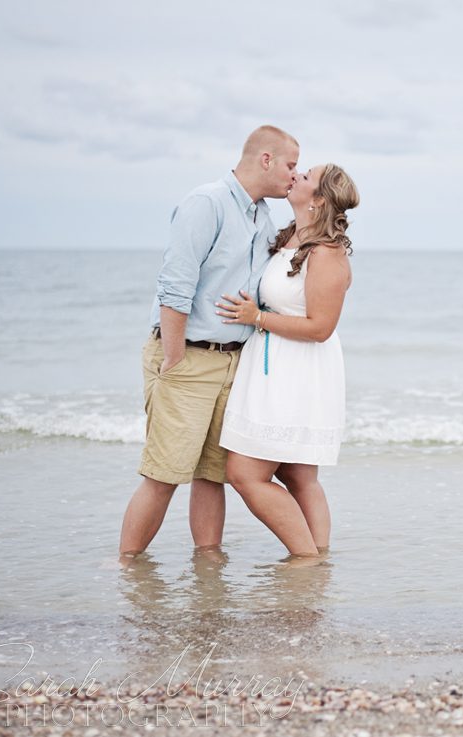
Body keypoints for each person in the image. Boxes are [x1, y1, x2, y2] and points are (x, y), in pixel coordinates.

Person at [119, 126, 300, 557]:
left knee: (211, 474)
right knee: (163, 474)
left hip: (234, 362)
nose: (294, 175)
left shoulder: (261, 215)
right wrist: (175, 358)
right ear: (266, 160)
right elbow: (175, 286)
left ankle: (208, 567)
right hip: (189, 358)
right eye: (291, 166)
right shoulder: (207, 203)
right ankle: (126, 568)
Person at [214, 163, 360, 557]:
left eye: (306, 176)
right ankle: (318, 560)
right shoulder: (291, 239)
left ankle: (305, 558)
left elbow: (320, 327)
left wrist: (257, 317)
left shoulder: (327, 255)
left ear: (320, 200)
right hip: (274, 365)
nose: (296, 176)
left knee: (245, 475)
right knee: (297, 475)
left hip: (298, 371)